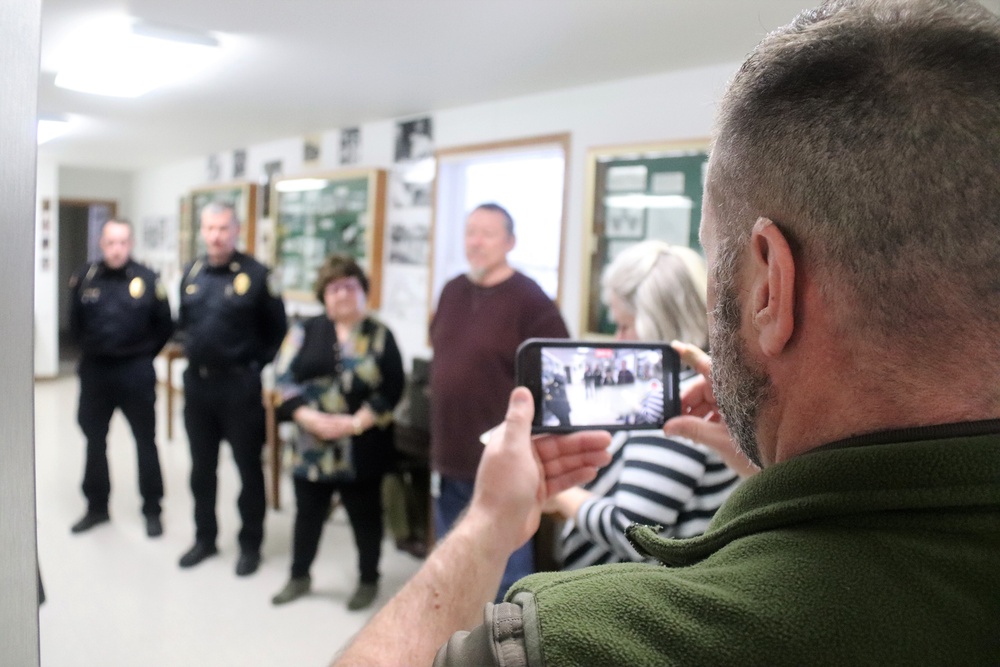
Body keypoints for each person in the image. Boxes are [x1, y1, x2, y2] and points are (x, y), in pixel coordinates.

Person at [333, 1, 1000, 664]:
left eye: (717, 263)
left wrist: (485, 526)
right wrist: (762, 460)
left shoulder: (575, 639)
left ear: (770, 284)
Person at [547, 241, 742, 571]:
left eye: (625, 326)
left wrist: (558, 494)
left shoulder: (675, 400)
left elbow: (635, 534)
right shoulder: (697, 384)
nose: (618, 341)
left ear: (659, 325)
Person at [429, 202, 570, 601]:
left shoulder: (530, 299)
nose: (476, 242)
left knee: (505, 576)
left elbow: (557, 374)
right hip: (449, 453)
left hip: (502, 459)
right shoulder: (452, 290)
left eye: (487, 233)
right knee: (451, 564)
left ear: (510, 241)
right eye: (470, 232)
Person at [270, 254, 404, 611]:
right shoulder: (304, 330)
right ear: (323, 294)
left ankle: (368, 580)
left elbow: (394, 387)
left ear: (363, 291)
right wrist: (305, 415)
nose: (342, 294)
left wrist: (359, 420)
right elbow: (281, 379)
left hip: (362, 445)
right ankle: (299, 575)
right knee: (308, 514)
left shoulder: (379, 335)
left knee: (366, 517)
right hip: (310, 445)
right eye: (334, 288)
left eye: (350, 286)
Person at [176, 202, 287, 576]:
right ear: (201, 231)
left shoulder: (257, 275)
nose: (216, 236)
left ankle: (250, 544)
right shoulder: (191, 272)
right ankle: (204, 538)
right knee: (201, 470)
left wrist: (255, 366)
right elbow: (185, 324)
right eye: (209, 228)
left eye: (223, 228)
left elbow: (278, 331)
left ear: (236, 230)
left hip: (240, 386)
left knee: (247, 469)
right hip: (198, 386)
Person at [68, 218, 173, 537]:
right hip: (96, 372)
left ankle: (152, 509)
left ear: (131, 244)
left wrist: (141, 355)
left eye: (123, 242)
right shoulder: (84, 278)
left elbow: (165, 326)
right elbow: (74, 324)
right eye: (111, 242)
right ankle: (96, 507)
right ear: (102, 244)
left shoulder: (148, 278)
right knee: (94, 441)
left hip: (135, 372)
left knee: (145, 441)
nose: (117, 249)